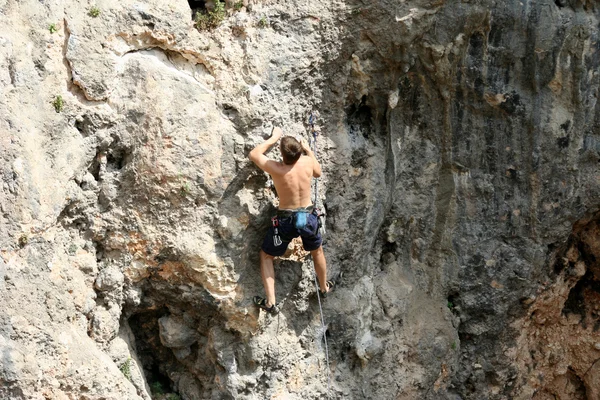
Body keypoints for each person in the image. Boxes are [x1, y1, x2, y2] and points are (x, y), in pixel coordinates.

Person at [249, 127, 333, 313]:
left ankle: (271, 302)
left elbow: (254, 154)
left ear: (281, 154)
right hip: (309, 217)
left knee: (266, 255)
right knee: (317, 251)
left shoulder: (277, 168)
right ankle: (323, 287)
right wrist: (308, 150)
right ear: (298, 153)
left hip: (286, 220)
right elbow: (318, 172)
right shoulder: (307, 162)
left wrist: (273, 138)